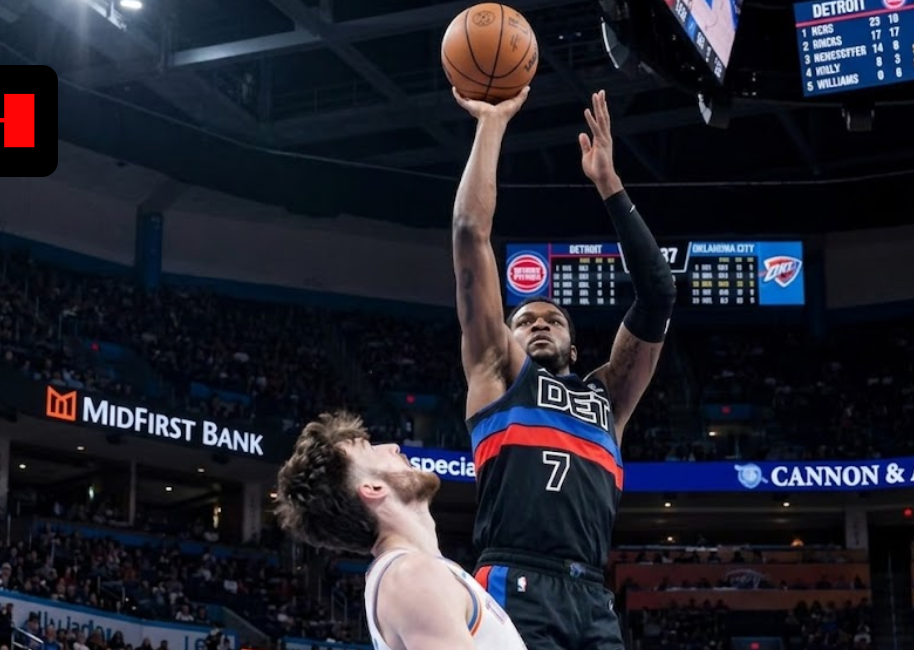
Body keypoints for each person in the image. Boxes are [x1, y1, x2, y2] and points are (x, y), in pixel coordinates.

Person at [450, 85, 676, 650]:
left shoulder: (610, 397)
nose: (540, 323)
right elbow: (469, 235)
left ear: (575, 349)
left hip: (594, 598)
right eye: (524, 320)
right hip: (512, 581)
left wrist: (609, 183)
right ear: (508, 337)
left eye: (554, 319)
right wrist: (492, 124)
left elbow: (658, 293)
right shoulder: (498, 374)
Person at [273, 411, 528, 650]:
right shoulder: (410, 576)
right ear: (372, 488)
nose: (393, 447)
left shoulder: (411, 573)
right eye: (371, 450)